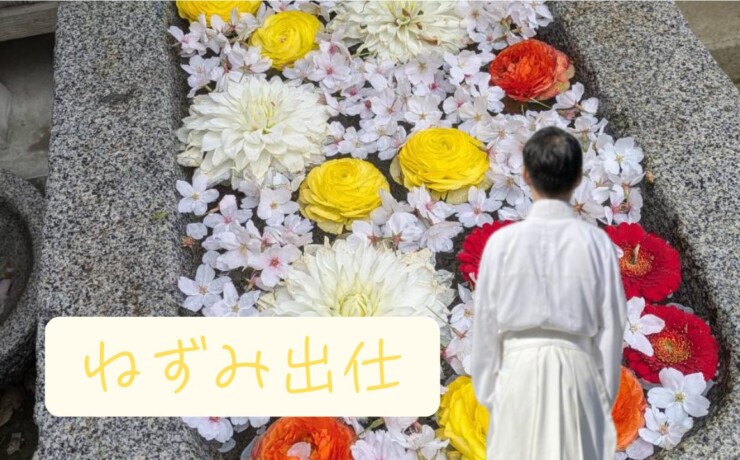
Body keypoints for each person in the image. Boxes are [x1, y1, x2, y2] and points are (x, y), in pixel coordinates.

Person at [471, 126, 628, 460]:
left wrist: (488, 391)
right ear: (578, 178)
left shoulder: (503, 242)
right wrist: (604, 392)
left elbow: (485, 320)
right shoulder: (596, 242)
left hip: (518, 366)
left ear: (526, 175)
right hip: (577, 367)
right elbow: (612, 324)